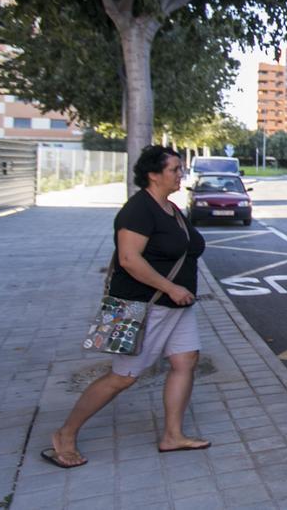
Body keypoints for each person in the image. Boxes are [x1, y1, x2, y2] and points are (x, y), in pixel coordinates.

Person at [44, 145, 209, 468]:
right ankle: (65, 434)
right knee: (123, 376)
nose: (181, 175)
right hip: (144, 307)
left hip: (176, 307)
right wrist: (171, 288)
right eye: (175, 169)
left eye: (180, 169)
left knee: (185, 360)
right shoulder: (138, 210)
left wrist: (178, 292)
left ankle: (172, 436)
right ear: (153, 174)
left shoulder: (171, 209)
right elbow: (129, 260)